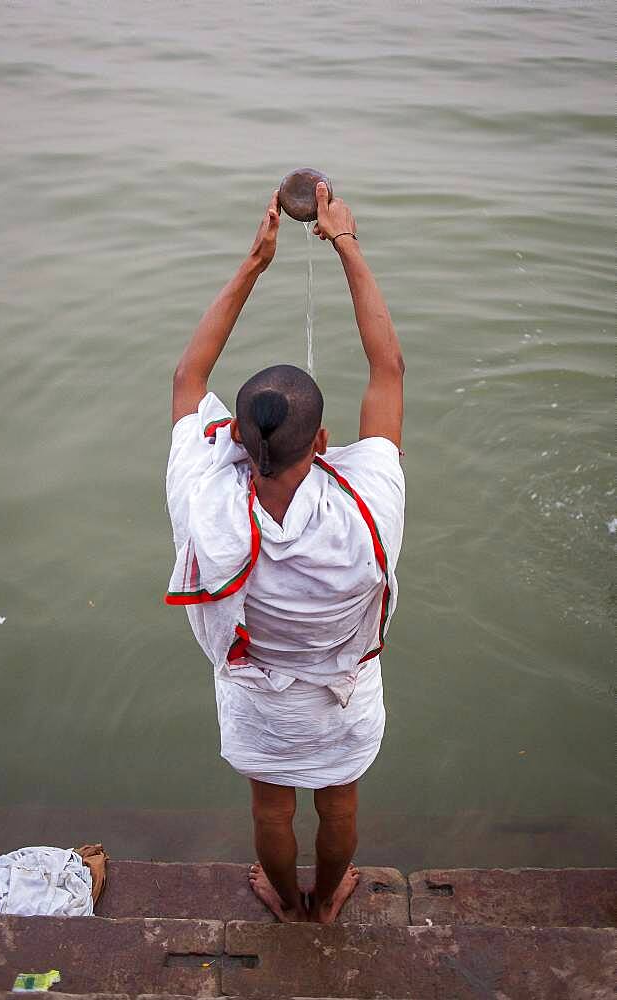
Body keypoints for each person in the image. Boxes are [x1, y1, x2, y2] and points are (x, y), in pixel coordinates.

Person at [165, 182, 405, 924]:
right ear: (325, 444)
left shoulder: (207, 500)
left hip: (259, 703)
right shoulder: (369, 510)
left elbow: (187, 379)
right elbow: (388, 370)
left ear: (234, 438)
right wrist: (345, 240)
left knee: (271, 814)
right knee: (339, 811)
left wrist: (255, 260)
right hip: (342, 701)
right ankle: (326, 900)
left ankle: (282, 896)